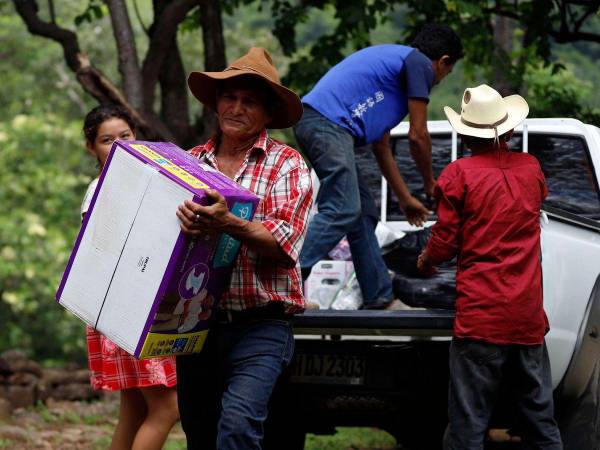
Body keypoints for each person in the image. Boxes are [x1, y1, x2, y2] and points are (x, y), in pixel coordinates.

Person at [174, 47, 313, 450]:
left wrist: (226, 222)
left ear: (268, 114)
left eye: (249, 101)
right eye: (229, 97)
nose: (236, 108)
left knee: (237, 428)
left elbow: (284, 244)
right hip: (196, 325)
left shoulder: (288, 164)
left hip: (261, 325)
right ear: (217, 102)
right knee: (200, 434)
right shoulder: (190, 162)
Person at [417, 85, 563, 449]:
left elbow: (445, 242)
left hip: (481, 317)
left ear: (464, 135)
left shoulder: (458, 175)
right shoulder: (531, 168)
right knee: (540, 418)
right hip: (527, 318)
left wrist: (424, 261)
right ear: (509, 131)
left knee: (469, 424)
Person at [295, 23, 464, 309]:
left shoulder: (391, 79)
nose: (439, 81)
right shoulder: (419, 64)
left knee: (362, 213)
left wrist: (405, 198)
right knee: (343, 208)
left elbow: (382, 147)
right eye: (446, 74)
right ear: (443, 61)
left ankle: (379, 295)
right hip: (326, 124)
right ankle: (283, 279)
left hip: (321, 124)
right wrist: (429, 184)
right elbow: (418, 136)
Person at [82, 105, 179, 450]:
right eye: (108, 140)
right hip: (127, 309)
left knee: (134, 410)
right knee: (168, 409)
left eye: (126, 136)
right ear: (91, 147)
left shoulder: (144, 180)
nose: (121, 145)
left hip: (130, 308)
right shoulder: (102, 189)